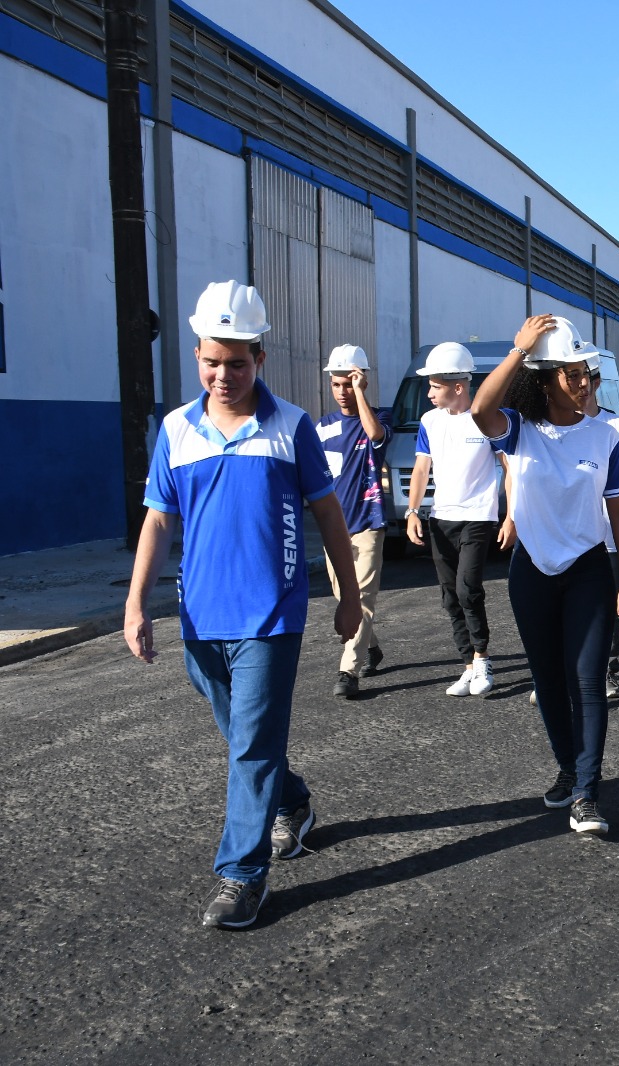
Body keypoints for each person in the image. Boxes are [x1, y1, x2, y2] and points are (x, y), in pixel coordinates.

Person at [123, 281, 361, 930]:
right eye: (211, 360)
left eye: (237, 362)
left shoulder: (291, 428)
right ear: (195, 354)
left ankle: (241, 876)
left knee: (251, 746)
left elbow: (331, 517)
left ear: (259, 356)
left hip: (271, 617)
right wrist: (136, 603)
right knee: (245, 741)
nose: (223, 375)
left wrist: (350, 596)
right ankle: (295, 801)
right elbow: (156, 521)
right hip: (200, 618)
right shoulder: (176, 430)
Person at [472, 315, 619, 837]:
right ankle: (569, 769)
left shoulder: (608, 434)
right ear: (543, 380)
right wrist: (517, 349)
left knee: (586, 680)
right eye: (569, 374)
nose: (583, 381)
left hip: (588, 570)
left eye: (585, 371)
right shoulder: (519, 431)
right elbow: (479, 409)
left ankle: (587, 791)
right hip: (532, 572)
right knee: (548, 681)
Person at [405, 342, 509, 698]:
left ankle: (483, 660)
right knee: (450, 597)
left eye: (435, 386)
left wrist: (510, 516)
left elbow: (510, 467)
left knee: (468, 590)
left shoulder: (485, 417)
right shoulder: (428, 422)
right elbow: (422, 468)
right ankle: (467, 666)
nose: (429, 393)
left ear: (458, 387)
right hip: (441, 519)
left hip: (478, 517)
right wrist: (412, 511)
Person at [317, 344, 391, 699]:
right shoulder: (322, 428)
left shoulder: (378, 419)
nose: (343, 392)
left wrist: (361, 394)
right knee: (344, 596)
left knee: (360, 597)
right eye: (337, 385)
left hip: (368, 524)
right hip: (335, 529)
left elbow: (376, 436)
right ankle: (371, 646)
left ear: (361, 381)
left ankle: (348, 671)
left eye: (349, 383)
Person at [584, 354, 619, 699]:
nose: (580, 386)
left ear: (596, 383)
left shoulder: (617, 427)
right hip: (574, 538)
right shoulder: (552, 426)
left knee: (609, 605)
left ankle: (607, 670)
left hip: (608, 535)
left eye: (587, 378)